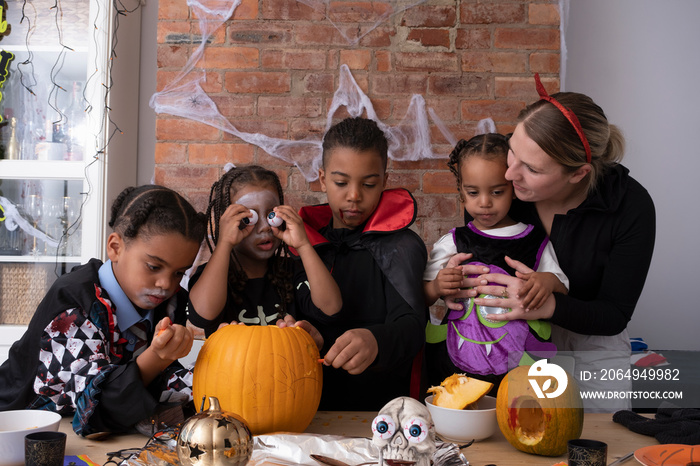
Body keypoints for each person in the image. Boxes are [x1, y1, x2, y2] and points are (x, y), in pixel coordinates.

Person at [453, 75, 656, 411]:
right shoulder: (503, 184)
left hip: (593, 343)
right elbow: (480, 255)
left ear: (578, 174)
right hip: (512, 332)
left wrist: (547, 305)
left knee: (598, 440)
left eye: (531, 169)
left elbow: (614, 314)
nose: (508, 175)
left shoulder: (631, 207)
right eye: (512, 153)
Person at [0, 185, 207, 436]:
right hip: (19, 433)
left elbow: (163, 383)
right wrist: (156, 357)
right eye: (154, 266)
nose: (166, 284)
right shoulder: (74, 305)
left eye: (178, 273)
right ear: (115, 247)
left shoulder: (168, 303)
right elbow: (94, 409)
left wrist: (223, 357)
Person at [295, 116, 427, 411]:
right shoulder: (303, 244)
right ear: (322, 178)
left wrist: (376, 340)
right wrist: (309, 337)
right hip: (308, 409)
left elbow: (413, 328)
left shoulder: (402, 246)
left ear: (385, 181)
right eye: (341, 182)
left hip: (382, 410)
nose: (354, 196)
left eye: (368, 184)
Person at [423, 133, 568, 390]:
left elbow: (562, 287)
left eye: (497, 191)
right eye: (473, 192)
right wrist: (437, 287)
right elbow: (420, 296)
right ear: (461, 193)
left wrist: (545, 281)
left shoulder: (535, 240)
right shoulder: (453, 242)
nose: (485, 202)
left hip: (519, 368)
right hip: (457, 367)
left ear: (513, 188)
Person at [187, 164, 341, 336]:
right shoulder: (213, 276)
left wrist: (303, 245)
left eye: (271, 215)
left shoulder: (294, 270)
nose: (265, 227)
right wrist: (224, 242)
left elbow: (331, 309)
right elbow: (202, 317)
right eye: (249, 217)